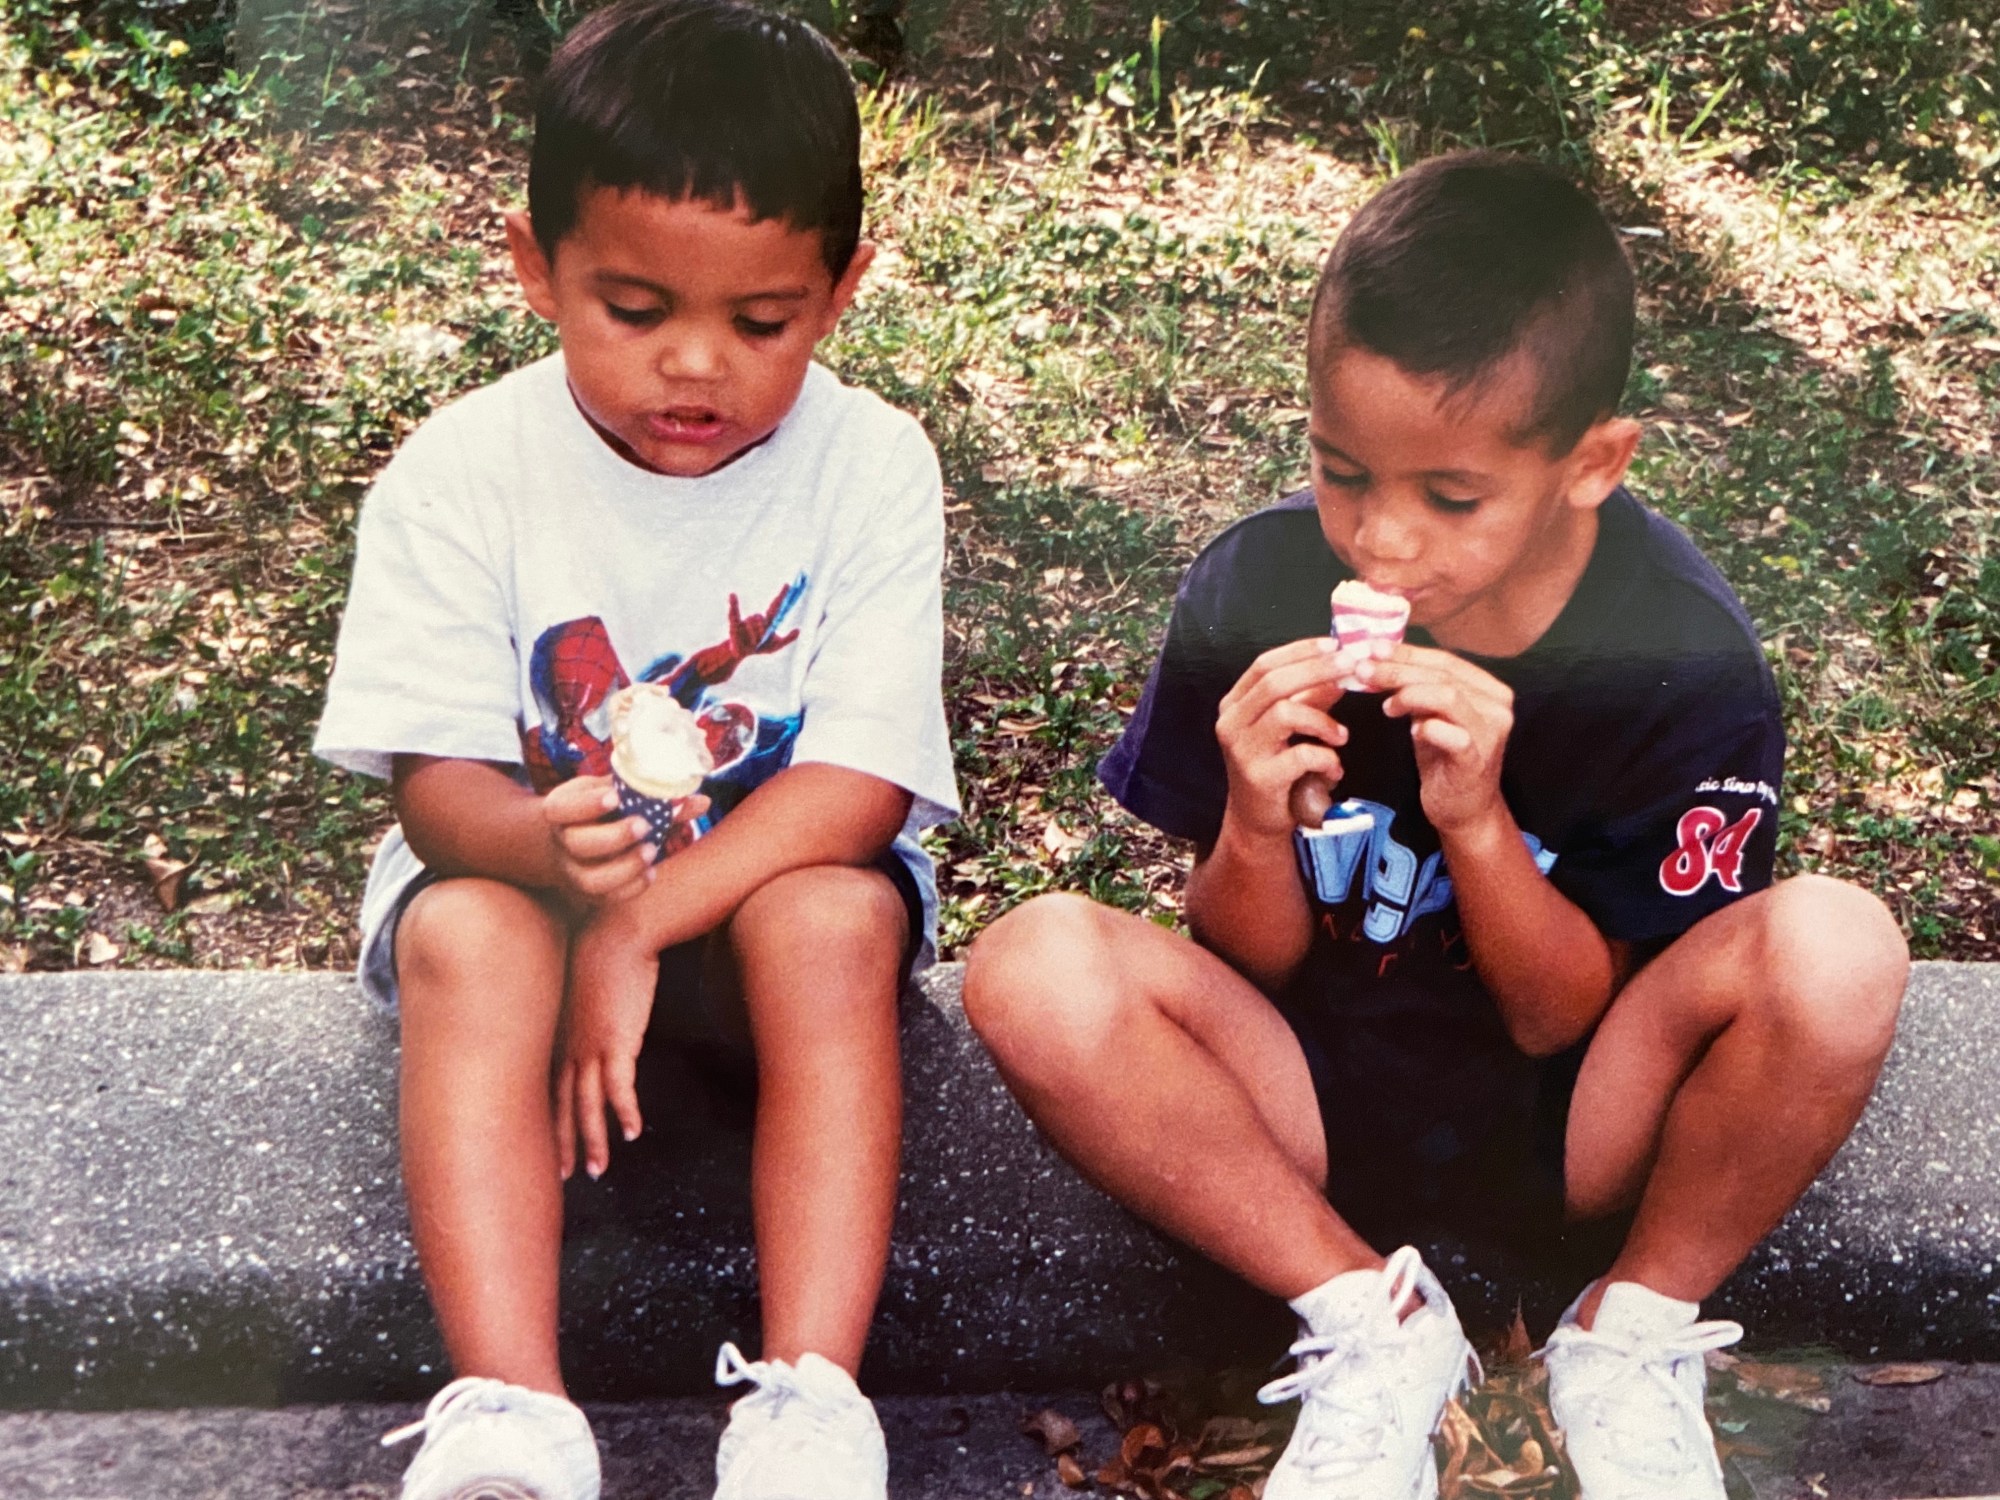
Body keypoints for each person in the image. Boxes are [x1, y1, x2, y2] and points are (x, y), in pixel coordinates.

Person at [961, 151, 1908, 1500]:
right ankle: (1371, 1325)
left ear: (1593, 465)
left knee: (1837, 946)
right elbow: (1247, 958)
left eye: (1448, 498)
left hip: (1575, 1117)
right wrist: (1251, 816)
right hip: (1314, 1091)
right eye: (1343, 473)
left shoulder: (1676, 656)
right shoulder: (1258, 582)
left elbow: (1562, 1019)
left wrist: (1474, 820)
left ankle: (1627, 1336)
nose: (1381, 543)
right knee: (1034, 961)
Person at [313, 4, 958, 1497]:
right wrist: (551, 864)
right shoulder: (461, 471)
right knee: (466, 930)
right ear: (535, 268)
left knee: (841, 912)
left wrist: (645, 921)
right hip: (533, 922)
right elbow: (440, 785)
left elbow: (856, 792)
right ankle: (510, 1409)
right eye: (634, 306)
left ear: (843, 292)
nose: (695, 366)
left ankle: (808, 1400)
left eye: (761, 321)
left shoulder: (872, 466)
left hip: (754, 912)